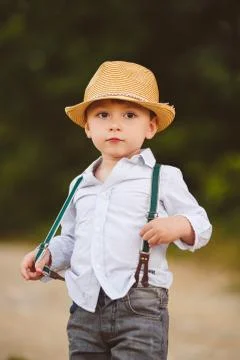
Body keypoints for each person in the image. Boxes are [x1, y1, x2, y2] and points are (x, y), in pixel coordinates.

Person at [20, 61, 212, 360]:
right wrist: (49, 254)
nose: (114, 124)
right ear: (88, 127)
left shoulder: (162, 177)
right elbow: (72, 239)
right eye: (102, 115)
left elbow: (201, 224)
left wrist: (177, 225)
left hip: (141, 307)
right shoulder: (80, 185)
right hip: (84, 308)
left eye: (130, 115)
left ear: (150, 127)